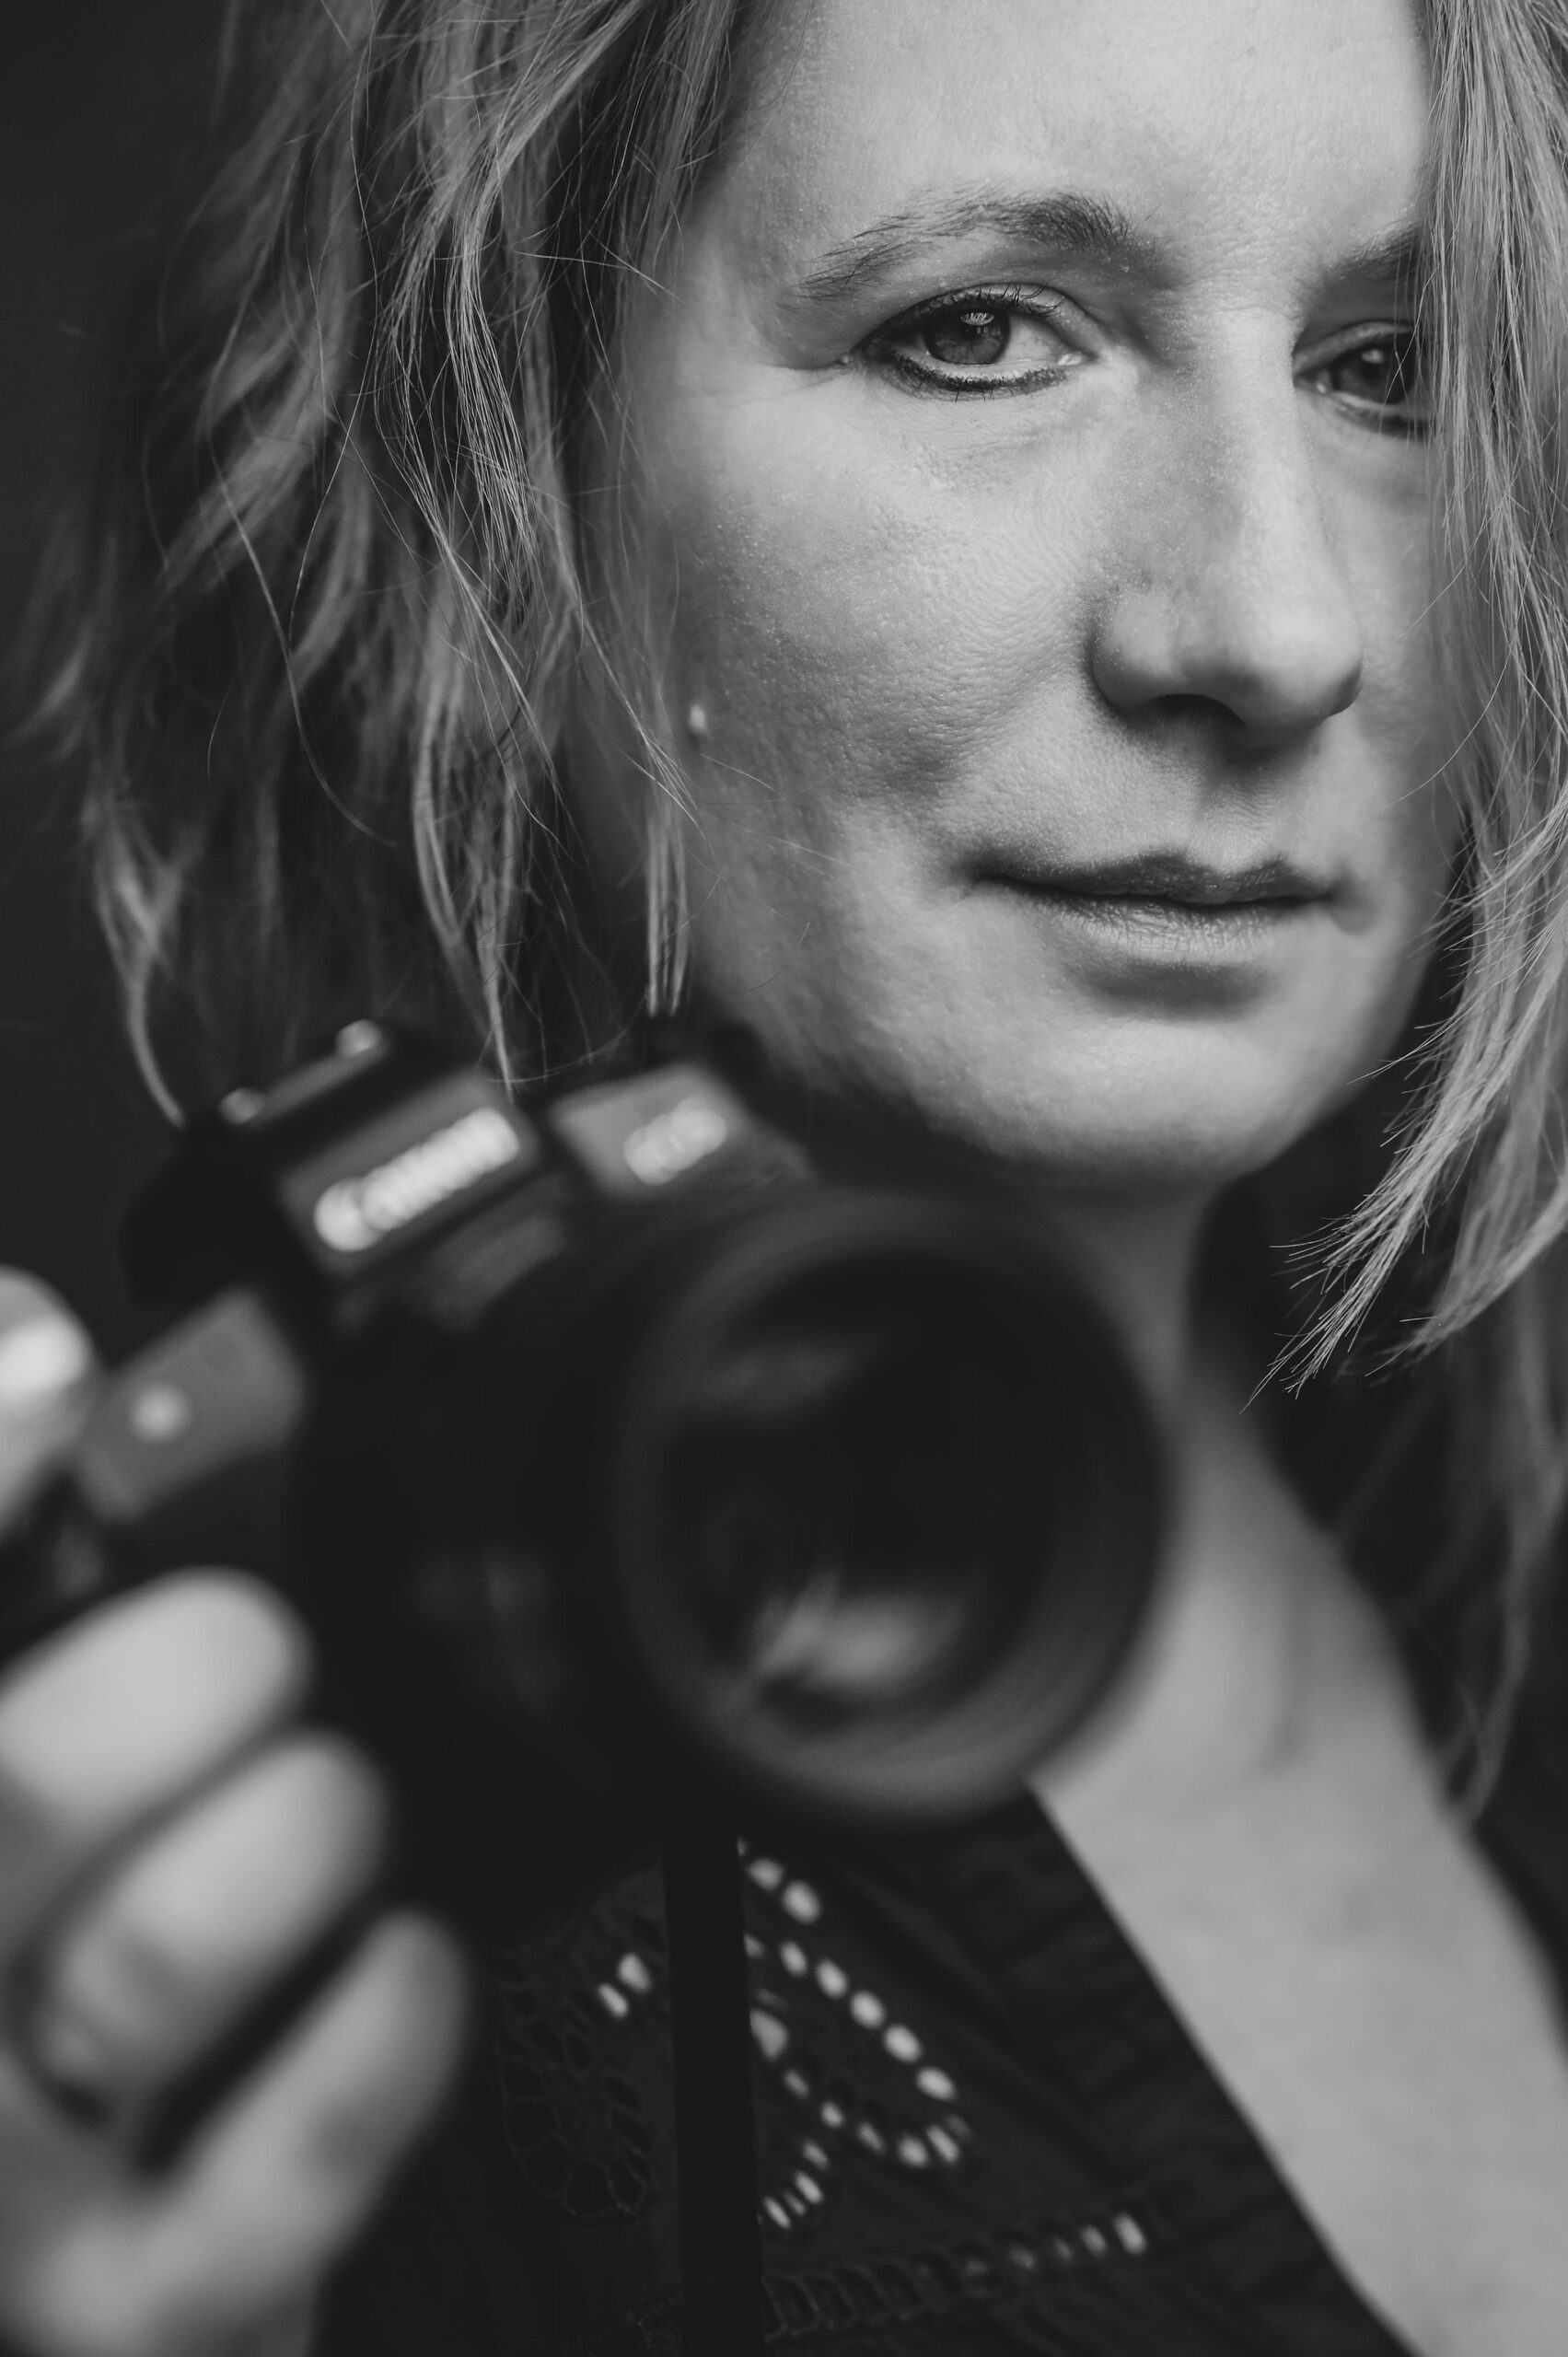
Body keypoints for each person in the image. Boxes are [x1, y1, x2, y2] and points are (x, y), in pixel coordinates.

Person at [5, 0, 1568, 2348]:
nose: (1276, 626)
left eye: (1394, 369)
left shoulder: (1498, 1510)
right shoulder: (170, 1801)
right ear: (493, 509)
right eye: (980, 332)